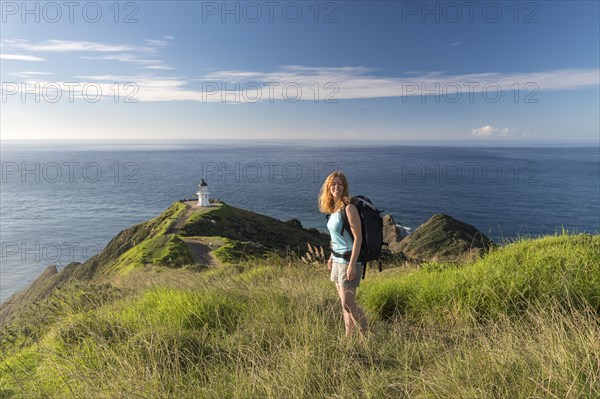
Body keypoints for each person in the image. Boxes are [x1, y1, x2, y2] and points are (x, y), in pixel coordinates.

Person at [318, 171, 367, 336]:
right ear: (328, 187)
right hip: (337, 260)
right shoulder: (333, 209)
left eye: (339, 184)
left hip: (349, 260)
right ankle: (349, 336)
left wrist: (352, 264)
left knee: (348, 303)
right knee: (343, 304)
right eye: (333, 184)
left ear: (344, 187)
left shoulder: (349, 207)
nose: (336, 187)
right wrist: (331, 257)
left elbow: (358, 237)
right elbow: (335, 238)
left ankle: (366, 336)